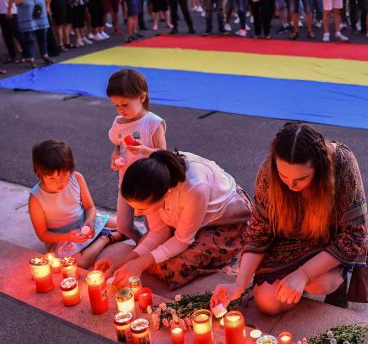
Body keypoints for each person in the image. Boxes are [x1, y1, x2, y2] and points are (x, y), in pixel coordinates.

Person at [210, 123, 368, 314]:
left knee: (318, 284)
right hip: (289, 239)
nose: (290, 185)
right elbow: (259, 230)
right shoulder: (268, 171)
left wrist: (303, 274)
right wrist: (239, 284)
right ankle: (296, 283)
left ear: (320, 168)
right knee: (267, 302)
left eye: (301, 179)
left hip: (329, 239)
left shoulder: (342, 163)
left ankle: (337, 282)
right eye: (283, 176)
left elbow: (355, 234)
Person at [95, 150, 253, 290]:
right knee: (148, 248)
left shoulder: (194, 188)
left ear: (167, 193)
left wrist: (140, 263)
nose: (136, 213)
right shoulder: (154, 183)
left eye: (142, 209)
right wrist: (125, 261)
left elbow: (182, 240)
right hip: (191, 214)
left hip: (226, 218)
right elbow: (159, 231)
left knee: (174, 267)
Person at [29, 140, 122, 269]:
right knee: (79, 263)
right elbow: (42, 234)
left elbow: (90, 207)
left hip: (84, 222)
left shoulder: (76, 178)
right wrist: (67, 236)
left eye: (64, 175)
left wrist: (89, 222)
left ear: (70, 169)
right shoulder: (36, 199)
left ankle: (107, 233)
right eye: (51, 178)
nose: (60, 182)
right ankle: (106, 238)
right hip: (61, 238)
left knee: (126, 226)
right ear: (39, 174)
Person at [106, 69, 167, 244]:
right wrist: (115, 157)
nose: (120, 110)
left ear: (142, 97)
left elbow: (164, 156)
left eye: (124, 104)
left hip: (150, 186)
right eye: (116, 105)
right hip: (126, 183)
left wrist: (144, 151)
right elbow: (118, 145)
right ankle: (141, 242)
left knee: (154, 227)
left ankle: (151, 246)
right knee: (123, 226)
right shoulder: (118, 123)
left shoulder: (153, 123)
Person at [13, 0, 54, 67]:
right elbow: (16, 1)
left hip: (40, 16)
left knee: (42, 37)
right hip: (27, 18)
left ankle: (45, 55)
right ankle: (30, 58)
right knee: (29, 39)